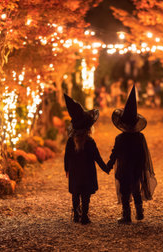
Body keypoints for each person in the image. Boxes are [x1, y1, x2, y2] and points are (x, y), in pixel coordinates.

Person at [106, 85, 157, 224]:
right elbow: (143, 154)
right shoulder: (140, 137)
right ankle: (139, 212)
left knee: (125, 191)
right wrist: (141, 166)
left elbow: (114, 153)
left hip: (123, 169)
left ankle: (126, 215)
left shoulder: (120, 138)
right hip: (136, 168)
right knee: (136, 188)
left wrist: (108, 166)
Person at [63, 94, 109, 225]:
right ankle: (84, 215)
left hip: (75, 172)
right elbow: (97, 157)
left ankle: (76, 214)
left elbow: (66, 157)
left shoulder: (71, 141)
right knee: (86, 195)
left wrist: (67, 169)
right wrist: (106, 168)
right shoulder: (89, 141)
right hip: (87, 172)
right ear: (89, 128)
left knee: (76, 193)